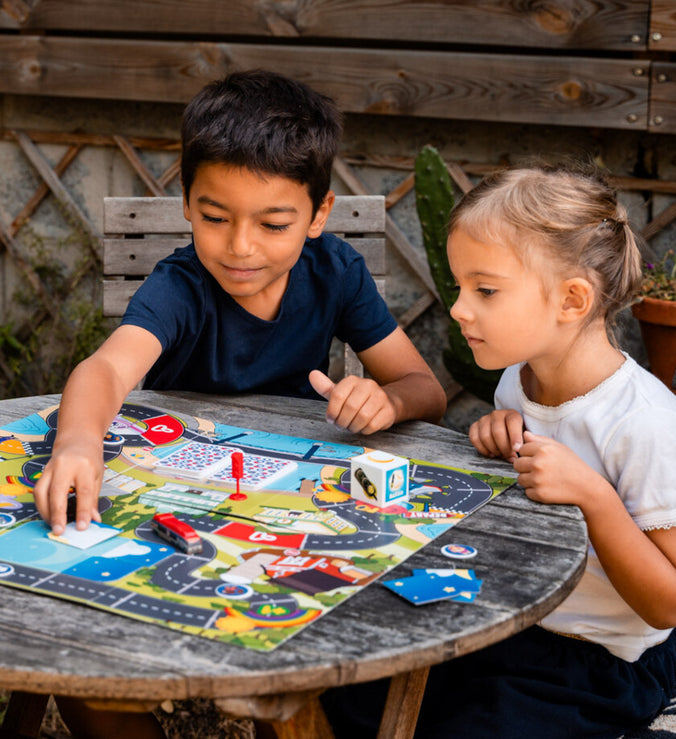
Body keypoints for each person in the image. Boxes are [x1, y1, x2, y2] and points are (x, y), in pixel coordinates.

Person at [30, 70, 445, 738]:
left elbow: (422, 386)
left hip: (283, 502)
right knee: (86, 653)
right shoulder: (181, 286)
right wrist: (77, 442)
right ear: (188, 204)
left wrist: (384, 400)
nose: (240, 246)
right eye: (215, 217)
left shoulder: (335, 271)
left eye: (273, 222)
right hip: (172, 498)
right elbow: (106, 368)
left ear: (317, 215)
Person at [322, 161, 676, 738]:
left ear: (572, 300)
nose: (457, 308)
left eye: (486, 290)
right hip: (512, 618)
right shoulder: (516, 382)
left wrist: (595, 498)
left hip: (603, 658)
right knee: (354, 700)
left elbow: (672, 603)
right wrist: (497, 434)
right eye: (459, 286)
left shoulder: (646, 425)